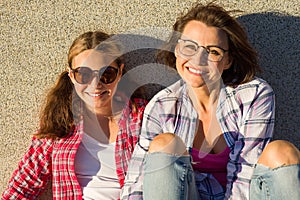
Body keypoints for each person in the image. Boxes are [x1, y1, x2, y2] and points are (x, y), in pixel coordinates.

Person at [121, 2, 300, 200]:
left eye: (213, 51)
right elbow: (137, 180)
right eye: (189, 47)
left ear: (228, 60)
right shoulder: (162, 106)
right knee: (165, 144)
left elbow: (246, 170)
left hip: (245, 196)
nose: (198, 60)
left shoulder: (254, 95)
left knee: (283, 152)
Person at [2, 31, 148, 199]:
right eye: (84, 75)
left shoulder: (142, 116)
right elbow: (24, 183)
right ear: (71, 75)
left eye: (106, 74)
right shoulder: (61, 122)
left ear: (120, 73)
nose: (95, 84)